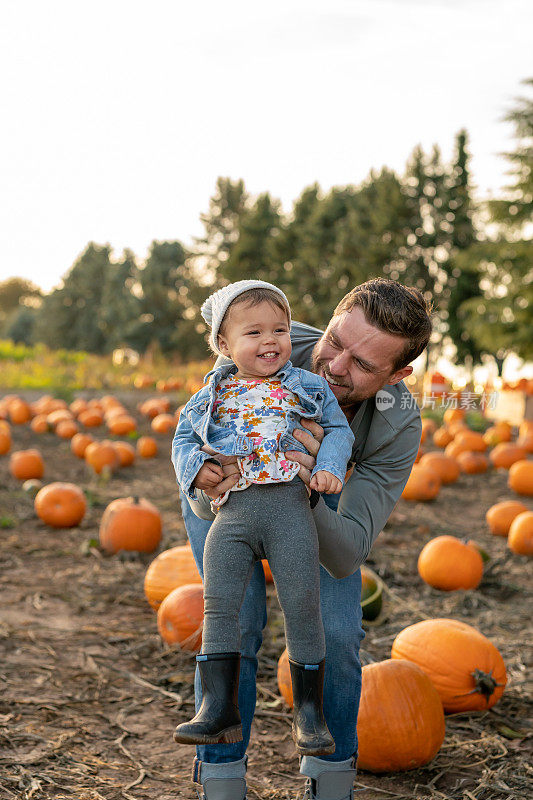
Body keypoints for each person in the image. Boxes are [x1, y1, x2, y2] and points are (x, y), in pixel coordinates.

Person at [178, 278, 432, 800]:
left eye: (364, 364)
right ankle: (221, 781)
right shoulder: (267, 342)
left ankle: (331, 779)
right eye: (336, 342)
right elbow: (197, 449)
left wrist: (307, 487)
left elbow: (345, 553)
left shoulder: (398, 422)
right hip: (234, 491)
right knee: (236, 623)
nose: (336, 366)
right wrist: (210, 479)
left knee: (336, 634)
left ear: (397, 375)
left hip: (316, 500)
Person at [172, 279, 355, 758]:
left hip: (290, 515)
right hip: (231, 518)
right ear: (223, 345)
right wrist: (199, 470)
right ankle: (217, 706)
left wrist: (331, 467)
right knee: (221, 607)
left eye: (280, 329)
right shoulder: (209, 395)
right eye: (253, 333)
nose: (270, 341)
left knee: (302, 607)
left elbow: (337, 428)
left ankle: (309, 711)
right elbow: (182, 441)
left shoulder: (307, 386)